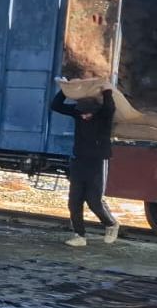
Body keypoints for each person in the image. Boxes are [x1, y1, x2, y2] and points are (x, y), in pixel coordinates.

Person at [50, 85, 119, 247]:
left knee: (94, 201)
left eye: (87, 113)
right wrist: (65, 90)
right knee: (74, 201)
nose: (84, 116)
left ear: (95, 111)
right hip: (79, 160)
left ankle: (111, 224)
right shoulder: (78, 113)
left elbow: (110, 106)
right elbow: (56, 106)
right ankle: (79, 235)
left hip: (97, 161)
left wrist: (107, 91)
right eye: (81, 113)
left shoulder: (104, 115)